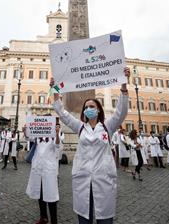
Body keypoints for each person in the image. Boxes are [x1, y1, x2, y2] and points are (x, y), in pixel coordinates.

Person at [50, 67, 130, 224]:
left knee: (105, 218)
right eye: (86, 107)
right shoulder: (79, 127)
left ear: (98, 110)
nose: (88, 109)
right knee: (84, 218)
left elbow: (121, 112)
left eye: (92, 106)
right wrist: (54, 88)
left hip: (103, 178)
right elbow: (62, 112)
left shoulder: (108, 126)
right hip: (83, 177)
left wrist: (123, 85)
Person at [26, 124, 62, 224]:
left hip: (49, 169)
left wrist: (57, 134)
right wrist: (25, 130)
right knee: (40, 193)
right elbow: (29, 137)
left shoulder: (54, 134)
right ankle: (44, 217)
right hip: (38, 168)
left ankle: (54, 221)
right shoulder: (38, 134)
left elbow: (57, 145)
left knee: (51, 196)